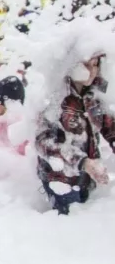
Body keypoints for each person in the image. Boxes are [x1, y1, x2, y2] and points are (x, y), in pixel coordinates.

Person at [36, 51, 115, 215]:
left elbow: (109, 126)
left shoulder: (92, 96)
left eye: (95, 65)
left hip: (87, 177)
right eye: (86, 65)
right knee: (70, 225)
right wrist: (82, 161)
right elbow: (44, 142)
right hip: (60, 180)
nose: (91, 71)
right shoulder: (56, 99)